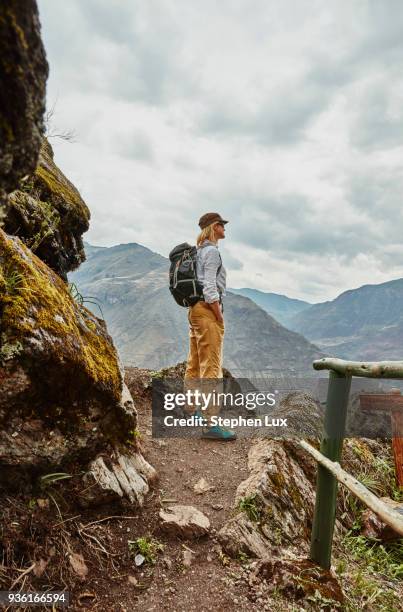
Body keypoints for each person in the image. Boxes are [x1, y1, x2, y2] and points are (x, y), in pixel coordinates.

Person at [184, 212, 236, 441]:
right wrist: (218, 314)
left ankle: (192, 412)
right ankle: (210, 423)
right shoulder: (212, 252)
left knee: (194, 361)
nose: (225, 228)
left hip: (194, 311)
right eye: (222, 225)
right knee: (212, 367)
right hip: (207, 311)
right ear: (215, 227)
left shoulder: (198, 252)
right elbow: (209, 286)